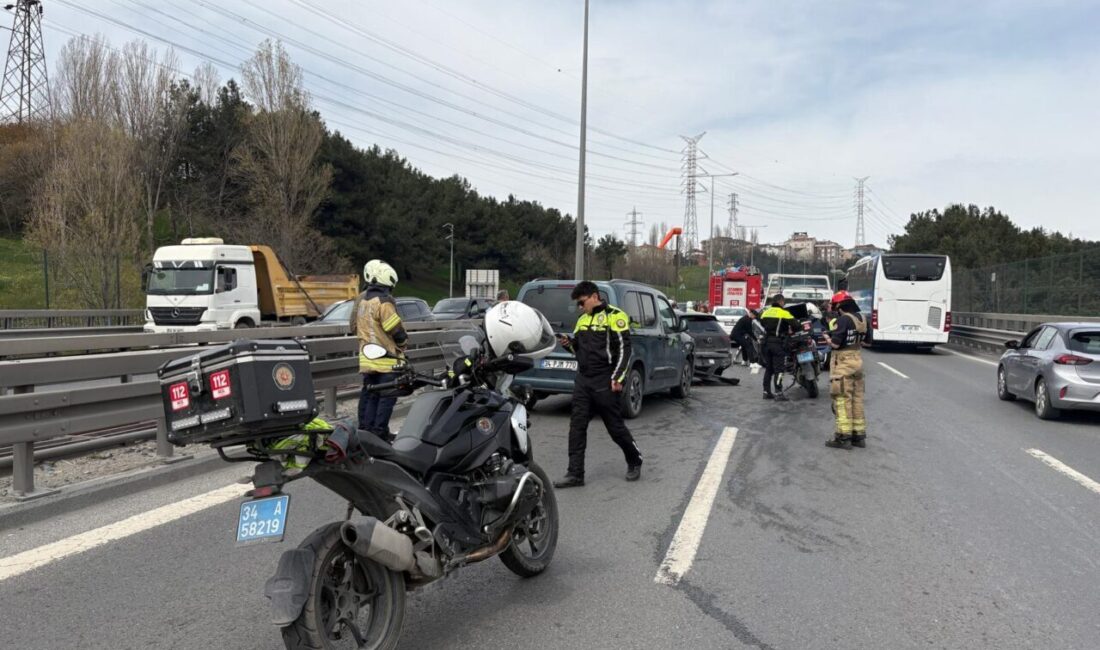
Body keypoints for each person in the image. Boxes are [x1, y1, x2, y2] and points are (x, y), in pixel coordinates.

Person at [554, 281, 644, 488]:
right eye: (577, 304)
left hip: (605, 379)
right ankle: (575, 473)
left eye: (582, 302)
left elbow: (624, 350)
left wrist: (618, 378)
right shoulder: (581, 320)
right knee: (576, 427)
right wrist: (570, 344)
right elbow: (579, 351)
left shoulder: (615, 316)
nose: (580, 307)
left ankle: (634, 460)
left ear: (594, 296)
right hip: (583, 379)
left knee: (615, 427)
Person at [351, 259, 408, 440]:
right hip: (386, 359)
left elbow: (355, 326)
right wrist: (403, 343)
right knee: (386, 397)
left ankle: (365, 432)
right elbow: (395, 329)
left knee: (369, 395)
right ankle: (379, 434)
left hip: (368, 358)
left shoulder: (363, 302)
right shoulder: (383, 303)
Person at [825, 291, 868, 449]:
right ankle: (859, 437)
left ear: (840, 307)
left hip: (843, 362)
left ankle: (843, 438)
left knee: (842, 399)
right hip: (857, 359)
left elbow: (835, 344)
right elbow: (867, 342)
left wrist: (827, 338)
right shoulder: (863, 318)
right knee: (857, 399)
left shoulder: (843, 320)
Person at [759, 294, 796, 401]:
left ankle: (766, 392)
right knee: (779, 370)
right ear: (781, 302)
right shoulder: (783, 312)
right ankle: (779, 393)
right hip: (778, 344)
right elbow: (796, 325)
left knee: (768, 369)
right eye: (783, 302)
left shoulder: (766, 312)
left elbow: (761, 322)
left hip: (766, 344)